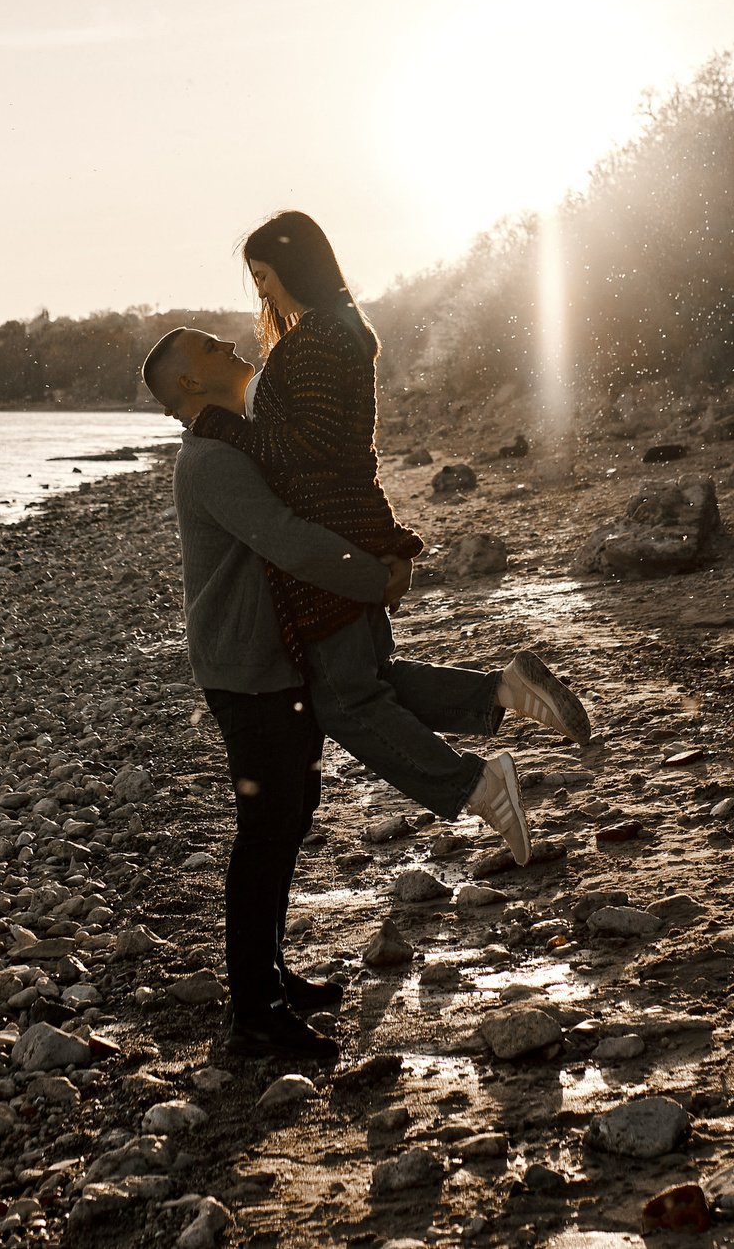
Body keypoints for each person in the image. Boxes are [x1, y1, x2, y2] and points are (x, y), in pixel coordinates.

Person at [152, 210, 592, 862]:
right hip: (349, 530)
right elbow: (321, 451)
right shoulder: (334, 336)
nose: (261, 294)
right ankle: (504, 690)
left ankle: (477, 782)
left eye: (264, 276)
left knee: (346, 703)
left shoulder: (315, 342)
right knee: (369, 680)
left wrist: (220, 427)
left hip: (334, 541)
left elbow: (306, 449)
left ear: (291, 267)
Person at [154, 360, 402, 1063]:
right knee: (266, 829)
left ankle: (266, 975)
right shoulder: (211, 460)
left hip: (273, 661)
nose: (229, 346)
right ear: (187, 380)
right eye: (207, 346)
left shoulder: (239, 444)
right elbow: (287, 536)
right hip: (246, 671)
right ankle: (253, 1016)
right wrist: (374, 576)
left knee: (293, 812)